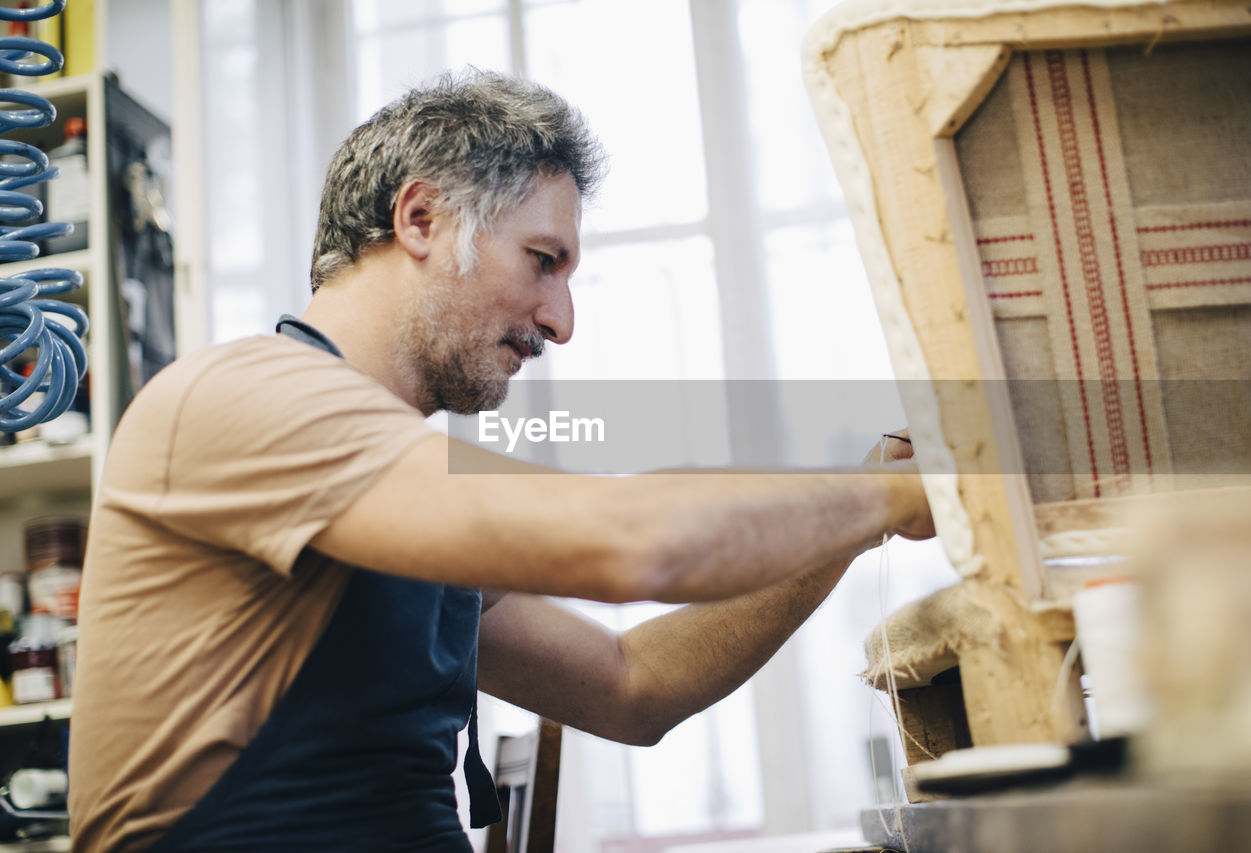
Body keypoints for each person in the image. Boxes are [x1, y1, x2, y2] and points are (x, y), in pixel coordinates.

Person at [67, 70, 933, 852]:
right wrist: (883, 497)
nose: (561, 321)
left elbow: (634, 685)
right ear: (420, 220)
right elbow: (632, 541)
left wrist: (854, 523)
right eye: (543, 261)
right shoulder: (245, 402)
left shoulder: (402, 478)